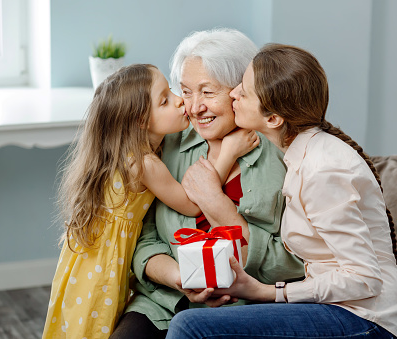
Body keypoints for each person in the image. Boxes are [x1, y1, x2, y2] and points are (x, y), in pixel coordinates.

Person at [168, 44, 397, 339]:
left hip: (364, 320)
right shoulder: (300, 156)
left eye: (243, 91)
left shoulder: (322, 170)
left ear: (272, 120)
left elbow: (364, 279)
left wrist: (270, 292)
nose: (233, 94)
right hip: (331, 308)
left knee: (189, 328)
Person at [111, 29, 305, 339]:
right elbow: (145, 242)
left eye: (207, 92)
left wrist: (217, 205)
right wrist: (179, 278)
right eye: (186, 91)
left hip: (249, 306)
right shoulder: (167, 144)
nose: (194, 107)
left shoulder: (283, 159)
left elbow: (295, 265)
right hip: (166, 304)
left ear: (241, 90)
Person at [42, 64, 258, 338]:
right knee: (94, 324)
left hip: (90, 258)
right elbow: (192, 204)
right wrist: (227, 153)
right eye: (165, 100)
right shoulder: (144, 163)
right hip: (105, 261)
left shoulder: (132, 153)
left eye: (171, 90)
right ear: (141, 121)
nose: (180, 100)